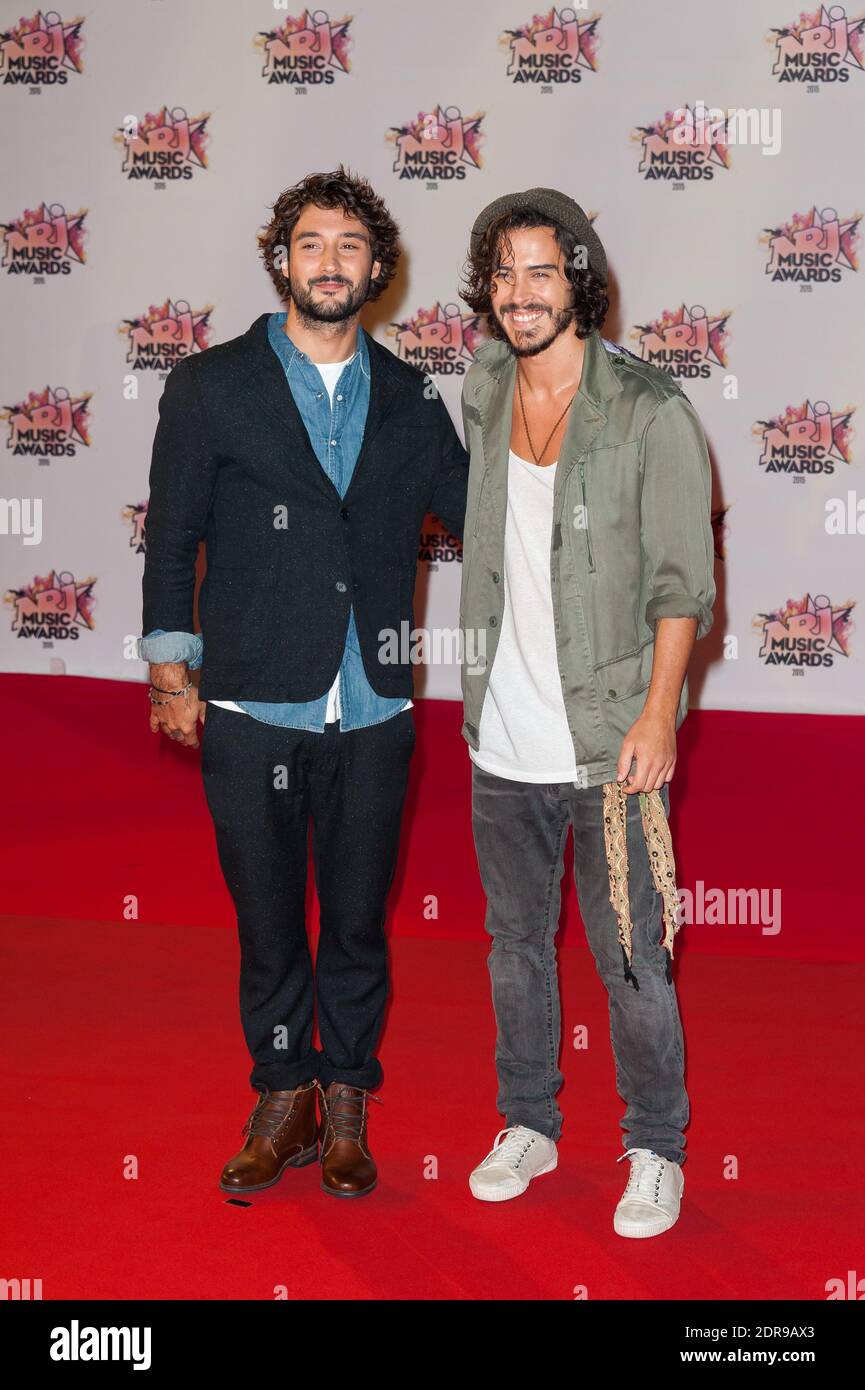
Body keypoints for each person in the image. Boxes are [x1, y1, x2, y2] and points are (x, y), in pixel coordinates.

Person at [139, 166, 468, 1199]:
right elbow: (172, 532)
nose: (332, 262)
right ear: (283, 258)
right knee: (269, 916)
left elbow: (477, 519)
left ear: (380, 269)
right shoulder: (209, 384)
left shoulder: (414, 396)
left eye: (351, 247)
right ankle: (282, 1094)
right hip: (248, 698)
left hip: (372, 704)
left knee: (360, 916)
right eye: (312, 244)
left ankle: (348, 1097)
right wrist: (167, 665)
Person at [457, 188, 715, 1236]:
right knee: (513, 942)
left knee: (629, 957)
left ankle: (655, 1144)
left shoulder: (650, 411)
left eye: (541, 272)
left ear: (580, 282)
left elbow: (680, 584)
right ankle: (528, 1119)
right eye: (503, 273)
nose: (519, 294)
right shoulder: (480, 386)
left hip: (609, 739)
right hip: (501, 736)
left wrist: (658, 717)